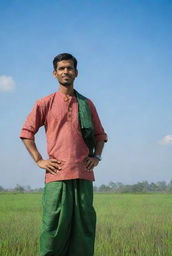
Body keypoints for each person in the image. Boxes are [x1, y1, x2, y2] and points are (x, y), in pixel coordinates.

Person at [19, 53, 107, 256]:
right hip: (57, 175)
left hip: (83, 175)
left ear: (76, 72)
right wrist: (39, 160)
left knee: (84, 229)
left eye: (69, 68)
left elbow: (100, 135)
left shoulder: (86, 104)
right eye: (61, 68)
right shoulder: (45, 103)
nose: (66, 71)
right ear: (54, 73)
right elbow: (26, 133)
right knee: (53, 228)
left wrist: (97, 156)